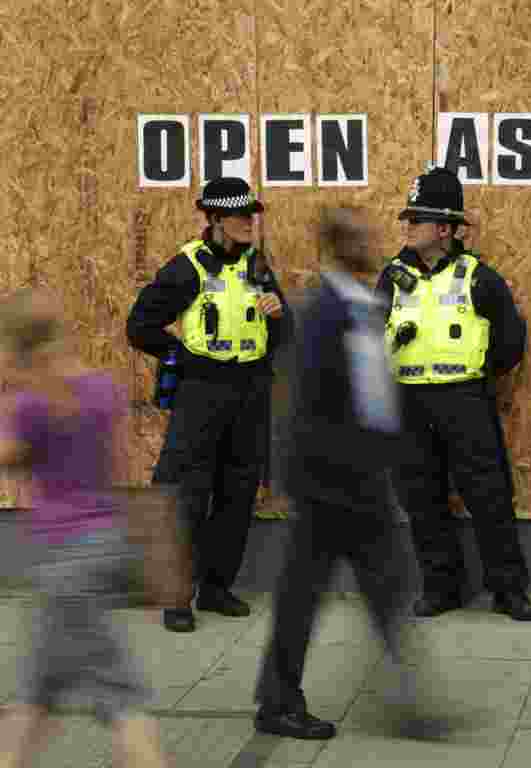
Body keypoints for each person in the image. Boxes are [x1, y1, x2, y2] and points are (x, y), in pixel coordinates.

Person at [253, 208, 449, 740]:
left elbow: (373, 393)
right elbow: (307, 407)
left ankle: (411, 705)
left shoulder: (365, 305)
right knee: (301, 598)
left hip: (363, 483)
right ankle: (277, 704)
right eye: (362, 238)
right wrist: (320, 476)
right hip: (327, 487)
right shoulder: (322, 312)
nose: (374, 244)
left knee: (388, 591)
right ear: (342, 246)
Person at [0, 288, 170, 768]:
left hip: (62, 564)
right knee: (36, 695)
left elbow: (8, 459)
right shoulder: (103, 388)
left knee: (120, 699)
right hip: (104, 545)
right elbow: (120, 469)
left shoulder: (30, 403)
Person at [127, 177, 293, 633]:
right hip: (203, 390)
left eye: (252, 215)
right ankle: (177, 599)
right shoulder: (188, 267)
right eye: (241, 216)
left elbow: (282, 334)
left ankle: (217, 588)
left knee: (238, 493)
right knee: (187, 495)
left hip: (251, 390)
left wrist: (279, 315)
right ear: (216, 219)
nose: (249, 223)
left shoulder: (257, 265)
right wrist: (183, 357)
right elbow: (140, 326)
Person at [374, 165, 531, 622]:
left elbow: (510, 342)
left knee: (488, 496)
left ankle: (509, 590)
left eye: (417, 219)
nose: (407, 226)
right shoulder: (391, 278)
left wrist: (478, 381)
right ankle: (440, 588)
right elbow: (371, 337)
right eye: (407, 218)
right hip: (409, 400)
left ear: (444, 228)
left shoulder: (480, 279)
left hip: (463, 400)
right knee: (421, 498)